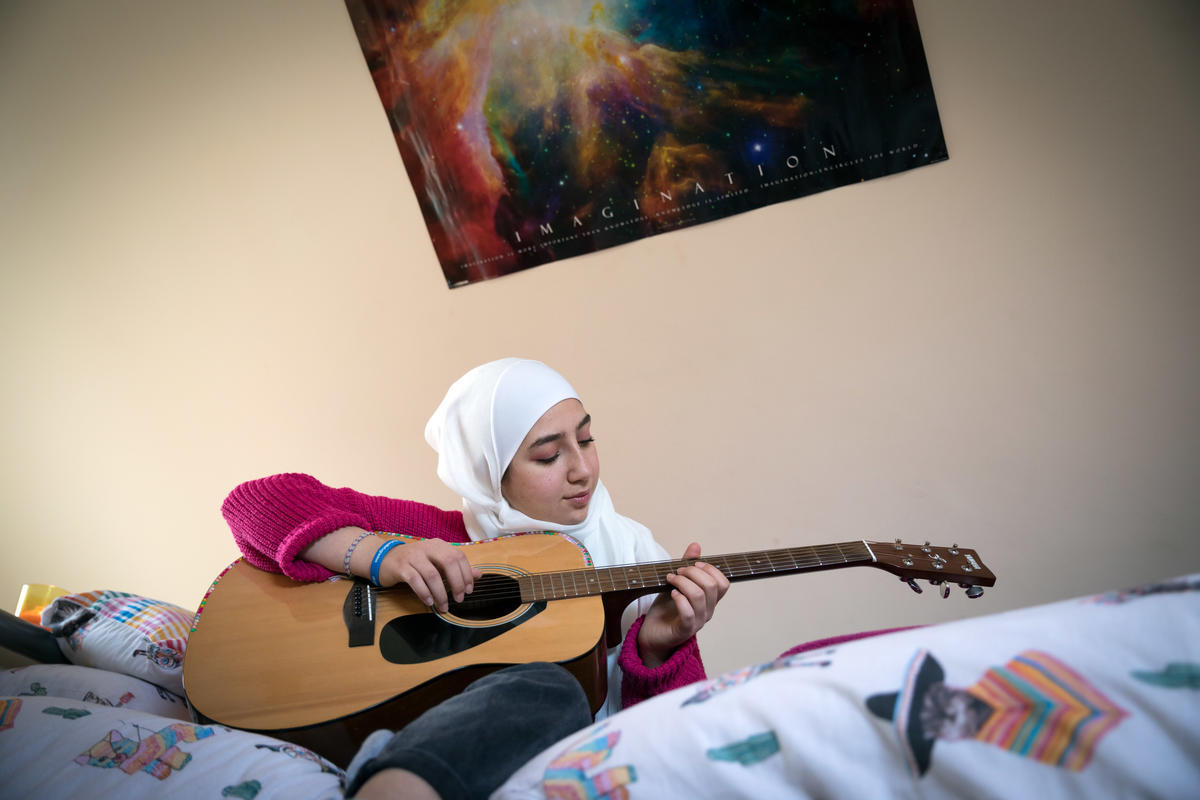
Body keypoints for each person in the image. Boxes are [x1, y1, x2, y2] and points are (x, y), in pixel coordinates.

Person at [222, 358, 731, 797]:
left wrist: (657, 651)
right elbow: (253, 502)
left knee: (556, 688)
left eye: (587, 439)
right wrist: (382, 555)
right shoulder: (439, 536)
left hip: (573, 762)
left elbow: (679, 744)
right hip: (439, 741)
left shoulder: (639, 557)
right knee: (546, 684)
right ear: (489, 471)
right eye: (549, 455)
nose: (583, 470)